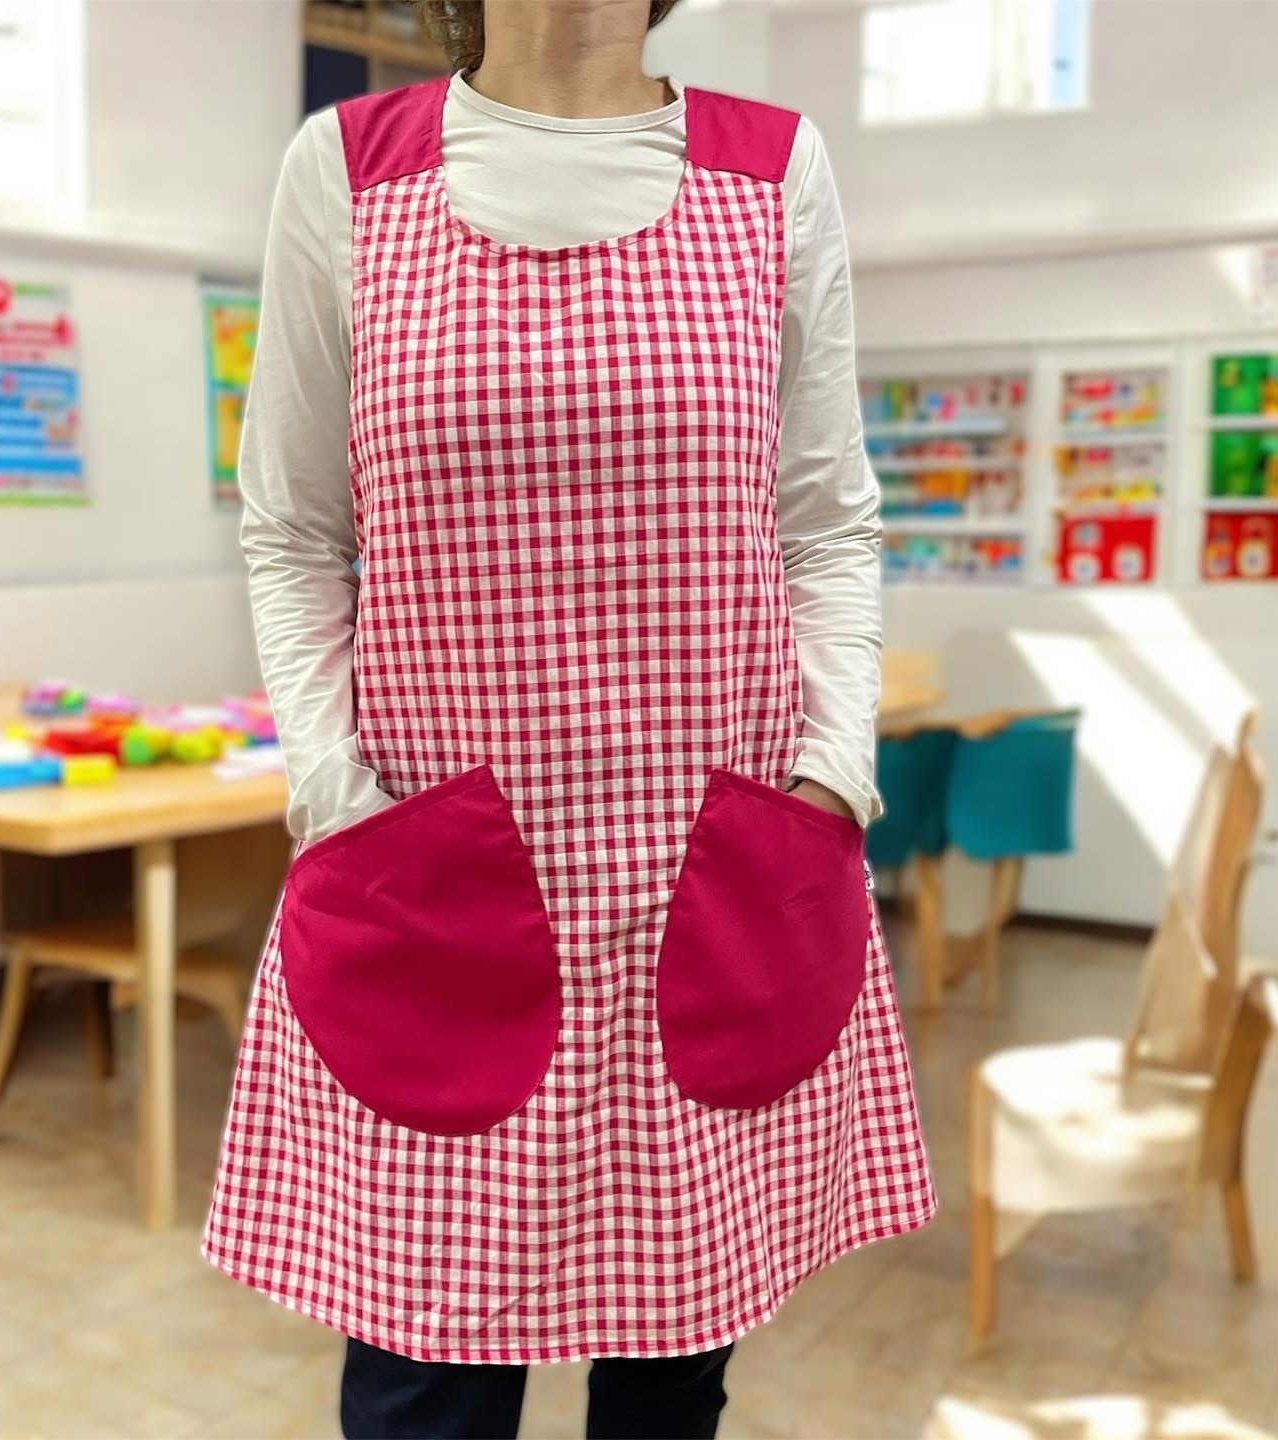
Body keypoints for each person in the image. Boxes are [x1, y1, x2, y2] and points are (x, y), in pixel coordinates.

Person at [202, 2, 937, 1435]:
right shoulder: (345, 170)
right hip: (432, 871)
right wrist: (337, 799)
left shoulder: (771, 169)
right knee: (424, 1381)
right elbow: (293, 529)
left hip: (712, 869)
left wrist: (832, 774)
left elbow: (827, 519)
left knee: (672, 1377)